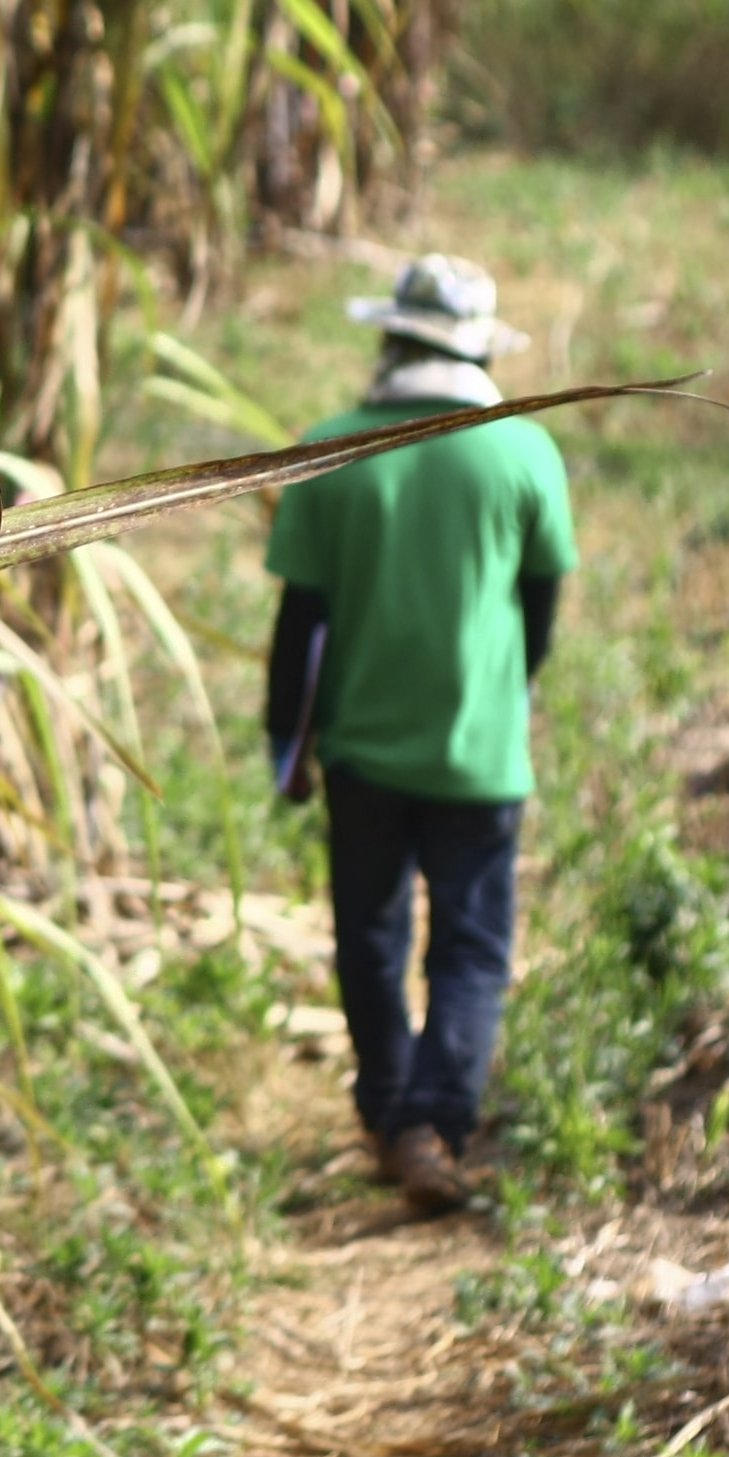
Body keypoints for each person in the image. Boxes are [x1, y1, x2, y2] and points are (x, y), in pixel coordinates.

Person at [263, 256, 576, 1215]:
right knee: (472, 945)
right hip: (481, 757)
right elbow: (542, 599)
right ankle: (439, 1121)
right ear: (479, 349)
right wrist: (509, 690)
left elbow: (300, 627)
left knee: (370, 933)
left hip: (362, 753)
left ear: (390, 338)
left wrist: (289, 750)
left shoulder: (329, 453)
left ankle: (396, 1115)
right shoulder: (523, 453)